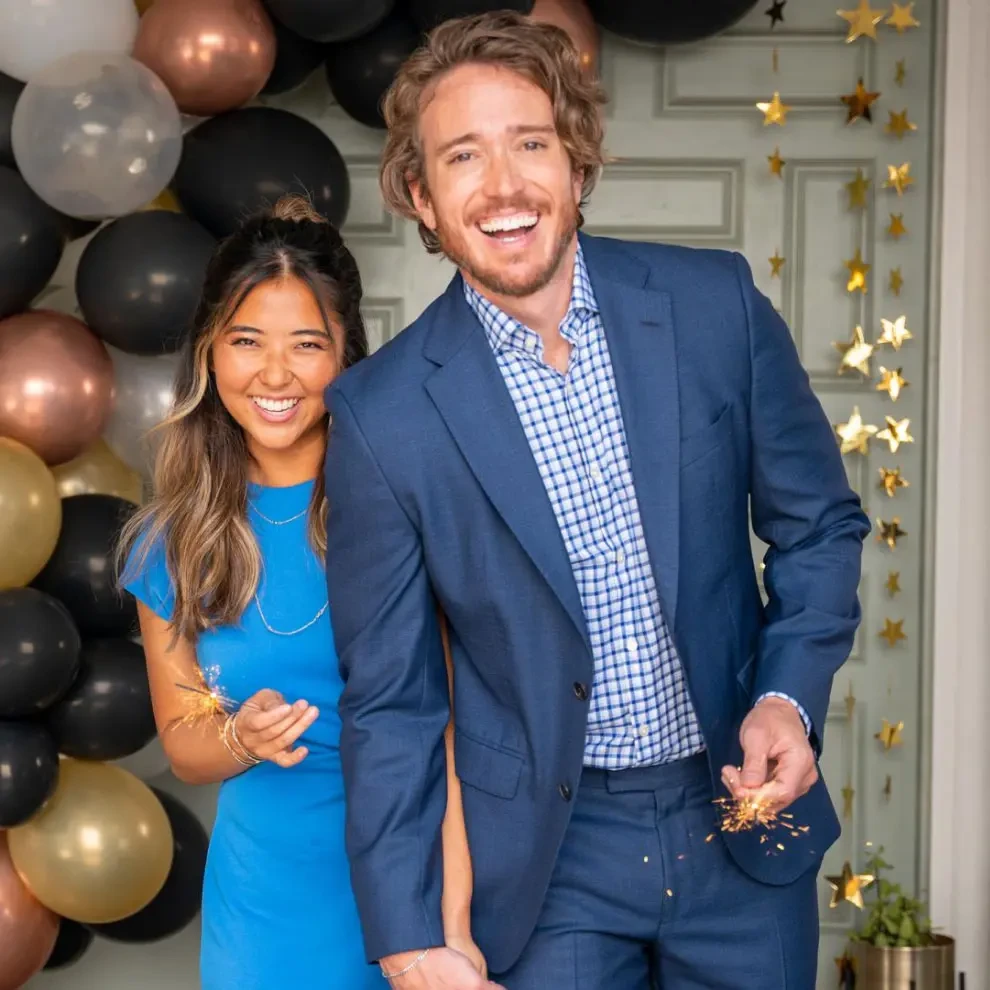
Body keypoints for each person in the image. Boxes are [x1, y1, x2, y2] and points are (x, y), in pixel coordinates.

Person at [323, 11, 871, 990]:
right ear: (420, 194)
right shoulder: (379, 413)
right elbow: (392, 701)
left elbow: (818, 524)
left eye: (531, 143)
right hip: (546, 857)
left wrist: (787, 695)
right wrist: (408, 931)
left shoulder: (715, 305)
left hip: (744, 816)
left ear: (577, 163)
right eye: (462, 157)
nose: (503, 187)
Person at [117, 196, 485, 989]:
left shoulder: (408, 510)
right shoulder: (170, 540)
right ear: (211, 353)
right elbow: (183, 742)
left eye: (306, 344)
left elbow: (456, 736)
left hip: (415, 889)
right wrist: (239, 741)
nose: (274, 375)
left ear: (347, 354)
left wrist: (452, 925)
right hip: (264, 914)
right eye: (246, 341)